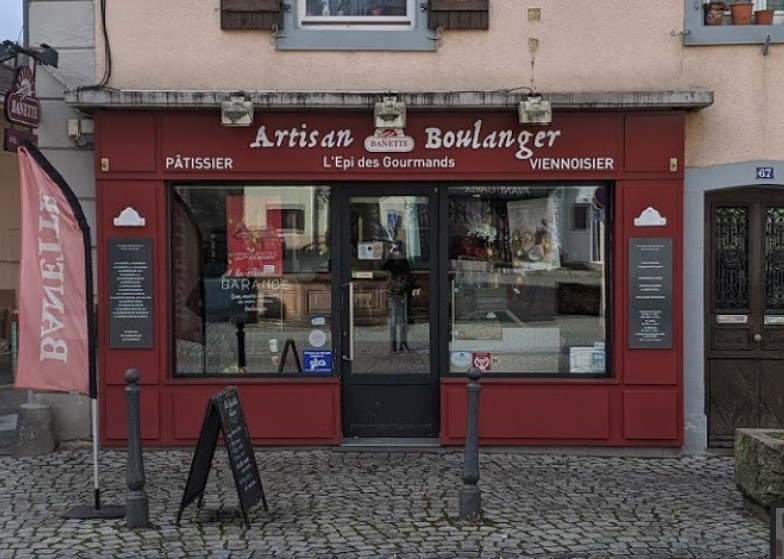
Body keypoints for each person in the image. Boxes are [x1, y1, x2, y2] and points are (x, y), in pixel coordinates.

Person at [381, 241, 418, 353]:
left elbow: (409, 276)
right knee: (393, 320)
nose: (397, 253)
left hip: (404, 293)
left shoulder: (404, 262)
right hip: (393, 293)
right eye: (395, 250)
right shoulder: (390, 262)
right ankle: (393, 344)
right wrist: (389, 254)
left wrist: (414, 287)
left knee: (404, 320)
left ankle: (403, 343)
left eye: (398, 250)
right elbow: (382, 266)